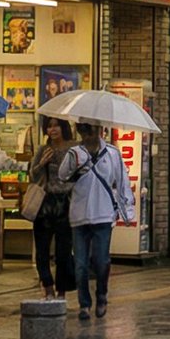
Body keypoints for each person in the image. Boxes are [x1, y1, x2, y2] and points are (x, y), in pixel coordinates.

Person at [59, 123, 133, 319]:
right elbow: (62, 176)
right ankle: (84, 304)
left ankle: (102, 295)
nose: (87, 135)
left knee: (101, 260)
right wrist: (74, 165)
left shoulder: (112, 153)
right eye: (83, 131)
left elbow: (122, 182)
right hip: (79, 215)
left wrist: (127, 211)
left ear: (99, 130)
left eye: (90, 130)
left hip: (103, 213)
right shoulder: (75, 153)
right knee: (80, 264)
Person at [29, 117, 78, 299]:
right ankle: (48, 287)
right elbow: (32, 175)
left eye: (56, 125)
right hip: (45, 203)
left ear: (64, 127)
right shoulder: (43, 149)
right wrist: (42, 163)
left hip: (66, 202)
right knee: (41, 250)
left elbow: (80, 174)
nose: (53, 130)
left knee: (63, 251)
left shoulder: (74, 149)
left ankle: (62, 291)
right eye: (49, 127)